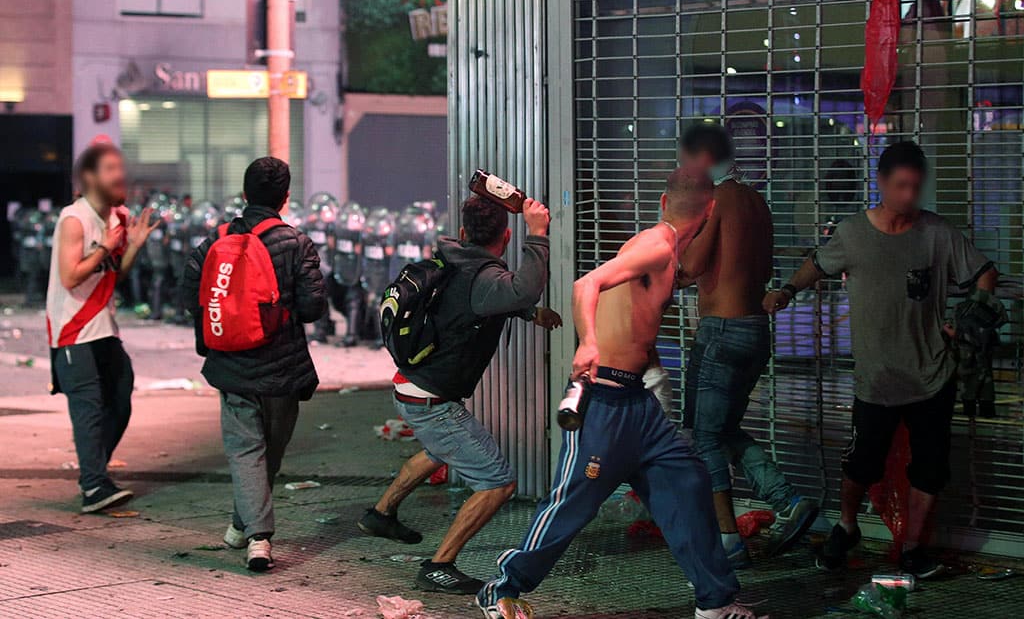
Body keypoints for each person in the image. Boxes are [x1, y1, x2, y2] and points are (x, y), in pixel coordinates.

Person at [478, 168, 766, 619]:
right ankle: (502, 588)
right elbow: (584, 285)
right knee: (573, 504)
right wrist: (589, 341)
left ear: (664, 201)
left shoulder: (668, 254)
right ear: (709, 213)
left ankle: (715, 602)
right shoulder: (655, 244)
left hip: (639, 404)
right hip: (603, 403)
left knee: (689, 482)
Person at [764, 141, 997, 578]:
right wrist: (788, 291)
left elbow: (984, 270)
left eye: (916, 186)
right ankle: (847, 526)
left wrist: (975, 309)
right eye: (901, 185)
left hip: (932, 375)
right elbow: (817, 263)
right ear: (882, 183)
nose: (909, 195)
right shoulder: (854, 233)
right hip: (876, 380)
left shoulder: (936, 233)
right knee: (860, 464)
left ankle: (912, 549)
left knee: (929, 469)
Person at [359, 194, 561, 594]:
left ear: (465, 232)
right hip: (432, 401)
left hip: (412, 385)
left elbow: (478, 302)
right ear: (505, 238)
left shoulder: (454, 258)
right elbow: (521, 289)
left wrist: (528, 314)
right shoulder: (484, 277)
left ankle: (381, 514)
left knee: (440, 450)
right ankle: (439, 565)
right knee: (497, 482)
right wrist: (538, 234)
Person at [677, 124, 818, 568]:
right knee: (724, 429)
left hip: (722, 329)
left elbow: (695, 265)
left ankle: (727, 542)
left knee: (704, 437)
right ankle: (788, 500)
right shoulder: (760, 202)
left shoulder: (721, 199)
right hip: (755, 329)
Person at [182, 157, 327, 572]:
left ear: (245, 195)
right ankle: (259, 540)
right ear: (285, 196)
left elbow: (191, 295)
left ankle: (239, 524)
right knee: (267, 452)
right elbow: (313, 307)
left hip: (231, 363)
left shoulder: (215, 239)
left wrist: (212, 336)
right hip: (282, 368)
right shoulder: (296, 243)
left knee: (250, 454)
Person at [46, 141, 160, 513]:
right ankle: (94, 485)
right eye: (110, 169)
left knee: (120, 397)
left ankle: (95, 472)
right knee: (89, 407)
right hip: (72, 330)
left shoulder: (118, 220)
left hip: (104, 326)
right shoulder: (74, 219)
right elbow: (69, 276)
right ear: (90, 178)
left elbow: (115, 275)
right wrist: (105, 248)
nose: (120, 175)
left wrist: (132, 246)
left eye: (120, 168)